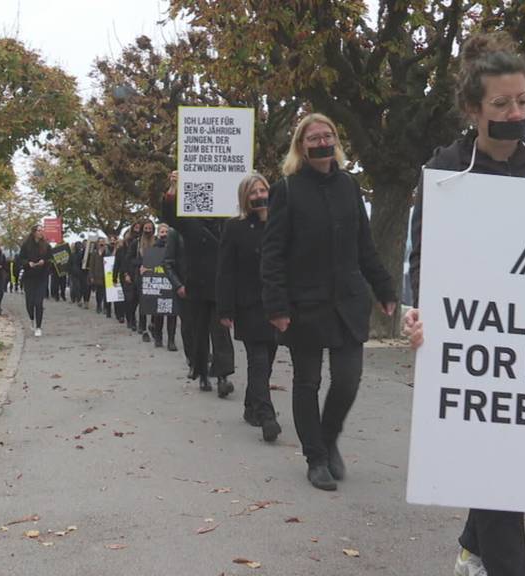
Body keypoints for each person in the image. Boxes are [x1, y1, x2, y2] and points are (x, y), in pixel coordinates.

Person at [403, 32, 525, 576]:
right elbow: (422, 254)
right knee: (499, 471)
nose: (515, 112)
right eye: (501, 104)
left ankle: (472, 547)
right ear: (474, 109)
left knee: (510, 465)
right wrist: (414, 312)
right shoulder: (446, 172)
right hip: (472, 345)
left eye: (523, 101)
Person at [261, 112, 397, 492]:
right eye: (313, 137)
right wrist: (277, 307)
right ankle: (315, 457)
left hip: (348, 301)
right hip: (305, 304)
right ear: (301, 146)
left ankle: (328, 434)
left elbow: (364, 245)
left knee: (348, 380)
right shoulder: (286, 189)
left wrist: (384, 289)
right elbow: (272, 254)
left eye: (328, 135)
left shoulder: (350, 186)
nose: (322, 142)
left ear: (337, 142)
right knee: (307, 381)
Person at [217, 173, 282, 442]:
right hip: (248, 305)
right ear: (245, 198)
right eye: (252, 192)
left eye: (262, 190)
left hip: (276, 305)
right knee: (257, 360)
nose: (258, 196)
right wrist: (225, 310)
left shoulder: (281, 224)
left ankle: (250, 405)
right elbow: (225, 271)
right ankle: (267, 415)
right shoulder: (234, 227)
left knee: (267, 360)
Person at [162, 173, 235, 396]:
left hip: (220, 287)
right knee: (198, 332)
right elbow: (169, 215)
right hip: (195, 287)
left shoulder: (228, 223)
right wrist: (174, 187)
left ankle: (223, 376)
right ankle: (202, 372)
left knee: (221, 333)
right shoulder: (187, 223)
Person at [163, 225, 194, 367]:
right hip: (185, 287)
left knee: (215, 328)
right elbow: (168, 263)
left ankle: (222, 373)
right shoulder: (175, 232)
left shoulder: (216, 226)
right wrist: (178, 285)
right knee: (189, 325)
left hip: (210, 287)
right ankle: (193, 360)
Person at [19, 225, 52, 337]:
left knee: (38, 303)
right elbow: (21, 259)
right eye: (39, 230)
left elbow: (50, 259)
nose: (41, 232)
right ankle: (31, 318)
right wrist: (28, 263)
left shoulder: (46, 246)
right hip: (29, 277)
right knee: (30, 303)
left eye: (42, 230)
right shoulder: (26, 245)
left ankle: (38, 326)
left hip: (41, 277)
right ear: (33, 232)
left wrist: (44, 262)